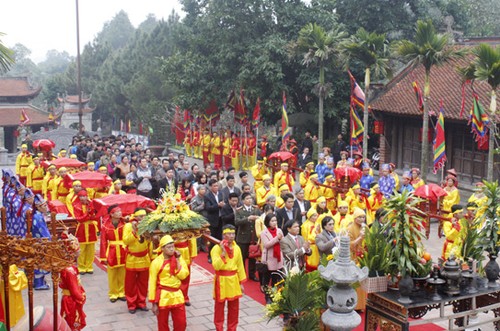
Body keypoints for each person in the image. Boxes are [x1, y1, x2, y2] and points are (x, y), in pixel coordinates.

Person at [149, 235, 189, 331]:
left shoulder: (178, 258)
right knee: (162, 325)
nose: (172, 249)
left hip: (177, 295)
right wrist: (154, 303)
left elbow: (183, 275)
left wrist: (178, 260)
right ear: (162, 248)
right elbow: (152, 283)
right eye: (169, 247)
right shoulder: (156, 262)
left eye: (173, 246)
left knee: (181, 323)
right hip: (163, 296)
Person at [210, 224, 247, 331]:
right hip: (221, 280)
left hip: (234, 280)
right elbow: (216, 266)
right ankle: (219, 328)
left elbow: (240, 265)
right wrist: (223, 253)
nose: (232, 236)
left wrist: (241, 283)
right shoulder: (216, 248)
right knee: (219, 308)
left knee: (234, 309)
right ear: (223, 234)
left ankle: (232, 329)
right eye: (229, 234)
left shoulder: (237, 248)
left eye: (233, 233)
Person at [123, 208, 152, 314]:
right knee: (130, 283)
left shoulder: (148, 226)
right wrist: (134, 232)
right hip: (132, 259)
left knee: (143, 283)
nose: (143, 218)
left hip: (144, 258)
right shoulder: (128, 226)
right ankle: (131, 304)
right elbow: (126, 241)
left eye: (145, 216)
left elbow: (150, 242)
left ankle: (142, 302)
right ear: (135, 217)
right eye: (141, 217)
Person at [59, 232, 87, 331]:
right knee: (72, 322)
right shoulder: (70, 270)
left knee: (68, 320)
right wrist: (82, 297)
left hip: (67, 299)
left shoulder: (66, 267)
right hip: (71, 300)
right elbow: (75, 291)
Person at [100, 204, 127, 302]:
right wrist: (103, 257)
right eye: (118, 211)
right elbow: (103, 241)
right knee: (112, 274)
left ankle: (122, 292)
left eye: (120, 211)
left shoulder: (124, 223)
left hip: (123, 249)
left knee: (123, 273)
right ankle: (113, 293)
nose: (120, 213)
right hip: (111, 250)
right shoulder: (105, 226)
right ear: (112, 214)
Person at [234, 192, 261, 282]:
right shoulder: (239, 210)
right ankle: (241, 274)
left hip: (253, 237)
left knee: (253, 257)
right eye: (247, 199)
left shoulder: (256, 209)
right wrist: (248, 218)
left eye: (250, 198)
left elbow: (261, 219)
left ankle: (252, 274)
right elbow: (237, 222)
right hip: (243, 237)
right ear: (243, 201)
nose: (249, 200)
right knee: (242, 257)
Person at [72, 190, 98, 274]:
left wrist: (91, 211)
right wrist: (87, 214)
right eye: (81, 196)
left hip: (91, 228)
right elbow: (79, 218)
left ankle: (89, 266)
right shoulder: (76, 206)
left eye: (84, 196)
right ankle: (81, 266)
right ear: (78, 197)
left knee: (91, 249)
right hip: (82, 228)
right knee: (82, 249)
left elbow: (95, 216)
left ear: (87, 196)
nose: (83, 198)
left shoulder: (92, 205)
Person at [260, 213, 284, 303]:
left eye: (275, 220)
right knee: (266, 279)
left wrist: (281, 239)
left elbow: (283, 243)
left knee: (276, 279)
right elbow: (266, 245)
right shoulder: (264, 233)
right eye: (272, 221)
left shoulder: (279, 230)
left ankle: (274, 296)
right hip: (269, 259)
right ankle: (267, 297)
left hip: (278, 258)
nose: (274, 223)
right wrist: (277, 239)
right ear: (267, 222)